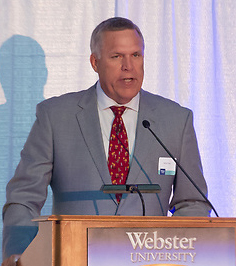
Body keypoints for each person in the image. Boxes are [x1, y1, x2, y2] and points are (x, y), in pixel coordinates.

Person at [2, 17, 211, 266]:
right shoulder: (55, 116)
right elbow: (24, 198)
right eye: (116, 56)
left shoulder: (176, 119)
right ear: (95, 62)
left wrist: (177, 253)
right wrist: (19, 254)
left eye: (136, 55)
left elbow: (192, 202)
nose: (128, 66)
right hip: (74, 258)